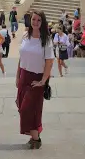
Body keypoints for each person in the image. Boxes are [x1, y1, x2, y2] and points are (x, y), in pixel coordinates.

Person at [16, 10, 54, 150]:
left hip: (37, 78)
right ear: (30, 20)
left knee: (29, 109)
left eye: (39, 20)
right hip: (24, 75)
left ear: (42, 22)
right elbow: (21, 58)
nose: (36, 22)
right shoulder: (26, 35)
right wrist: (18, 76)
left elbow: (49, 62)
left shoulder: (46, 40)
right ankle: (34, 138)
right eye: (34, 19)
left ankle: (37, 139)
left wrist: (43, 81)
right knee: (22, 106)